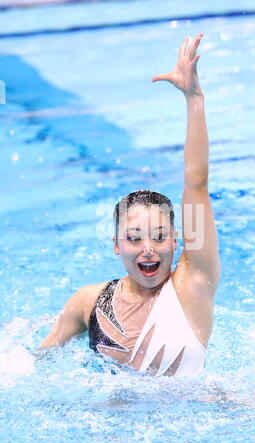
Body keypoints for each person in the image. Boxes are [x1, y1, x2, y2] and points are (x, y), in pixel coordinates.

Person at [39, 33, 221, 377]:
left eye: (159, 237)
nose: (148, 250)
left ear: (178, 240)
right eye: (135, 238)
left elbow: (196, 182)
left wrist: (194, 98)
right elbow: (40, 361)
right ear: (116, 244)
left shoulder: (193, 283)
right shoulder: (89, 303)